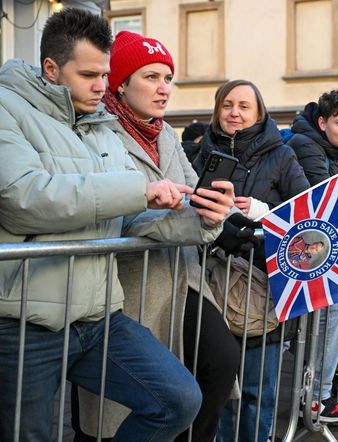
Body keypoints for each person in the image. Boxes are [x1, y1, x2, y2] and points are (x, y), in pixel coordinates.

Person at [0, 9, 208, 441]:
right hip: (25, 322)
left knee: (178, 398)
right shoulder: (7, 110)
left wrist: (200, 218)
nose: (102, 85)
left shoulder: (100, 126)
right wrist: (138, 189)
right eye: (89, 74)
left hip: (98, 316)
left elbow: (131, 219)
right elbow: (24, 198)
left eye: (106, 74)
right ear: (51, 68)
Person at [73, 31, 244, 442]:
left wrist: (220, 210)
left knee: (218, 362)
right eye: (151, 77)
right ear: (121, 82)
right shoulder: (97, 132)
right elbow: (119, 212)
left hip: (181, 278)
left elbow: (190, 188)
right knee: (118, 406)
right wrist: (191, 215)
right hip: (127, 286)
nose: (164, 88)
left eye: (168, 78)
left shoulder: (164, 132)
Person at [193, 79, 311, 442]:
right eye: (227, 104)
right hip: (211, 282)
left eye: (244, 105)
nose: (234, 112)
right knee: (221, 389)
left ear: (260, 112)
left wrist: (264, 213)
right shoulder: (201, 154)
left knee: (259, 390)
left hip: (263, 284)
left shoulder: (282, 154)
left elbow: (309, 218)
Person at [288, 88, 338, 423]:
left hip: (313, 245)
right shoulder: (306, 145)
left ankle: (316, 394)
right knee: (318, 317)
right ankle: (314, 397)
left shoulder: (333, 150)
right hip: (300, 247)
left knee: (328, 313)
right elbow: (324, 197)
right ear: (322, 122)